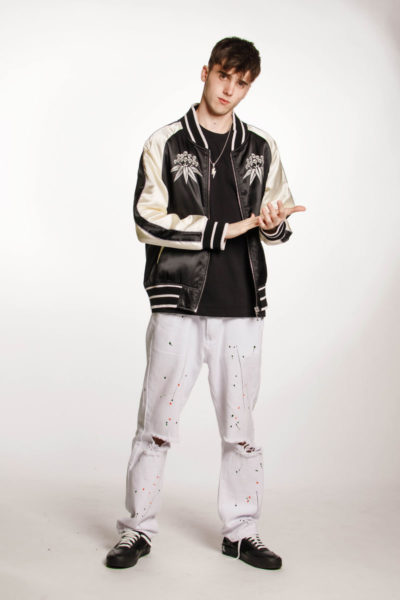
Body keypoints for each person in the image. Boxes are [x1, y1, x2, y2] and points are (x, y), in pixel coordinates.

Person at [105, 36, 306, 571]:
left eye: (242, 83)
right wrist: (222, 229)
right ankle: (137, 530)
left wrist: (273, 223)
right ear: (205, 71)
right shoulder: (165, 143)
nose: (229, 90)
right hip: (178, 302)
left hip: (242, 305)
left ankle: (241, 532)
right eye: (223, 76)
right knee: (156, 424)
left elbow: (277, 220)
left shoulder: (261, 146)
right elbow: (147, 219)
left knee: (241, 432)